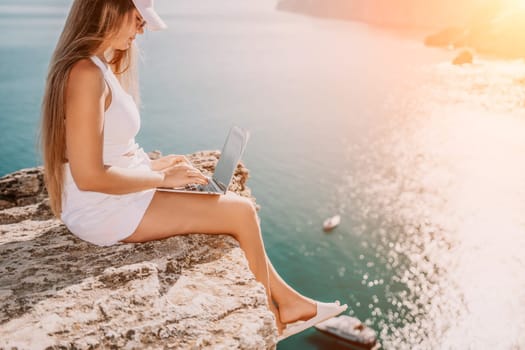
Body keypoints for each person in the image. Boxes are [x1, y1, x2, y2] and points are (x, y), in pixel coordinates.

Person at [39, 0, 347, 341]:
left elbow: (109, 152)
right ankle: (273, 319)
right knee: (241, 213)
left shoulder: (97, 66)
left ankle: (289, 302)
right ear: (109, 9)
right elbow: (89, 175)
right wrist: (160, 179)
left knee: (229, 204)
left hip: (109, 201)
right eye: (138, 19)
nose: (142, 29)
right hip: (102, 209)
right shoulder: (85, 73)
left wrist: (160, 164)